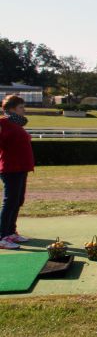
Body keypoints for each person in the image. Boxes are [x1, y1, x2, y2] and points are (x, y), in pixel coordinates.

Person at [0, 95, 35, 249]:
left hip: (22, 167)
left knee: (17, 200)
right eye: (21, 107)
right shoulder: (3, 122)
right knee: (10, 201)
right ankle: (2, 236)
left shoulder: (17, 124)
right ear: (12, 109)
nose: (24, 110)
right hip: (10, 168)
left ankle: (11, 232)